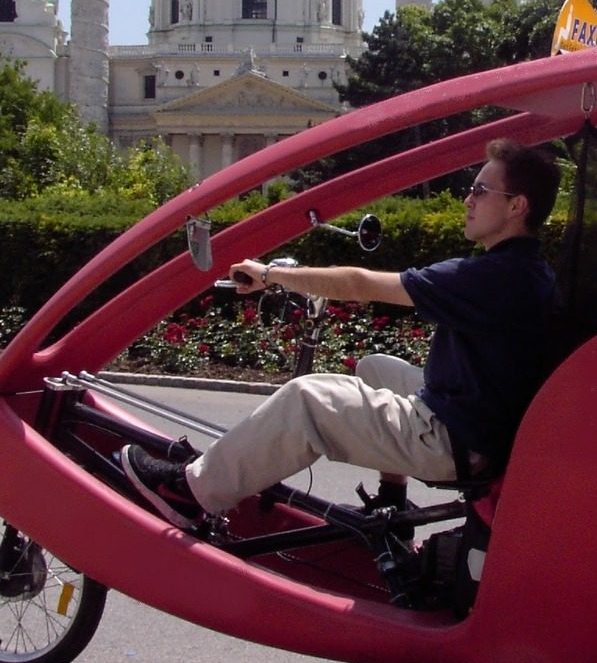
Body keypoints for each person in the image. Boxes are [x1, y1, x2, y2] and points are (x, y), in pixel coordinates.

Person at [121, 139, 561, 531]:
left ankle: (191, 494)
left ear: (516, 206)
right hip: (483, 424)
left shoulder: (491, 276)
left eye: (480, 190)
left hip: (456, 440)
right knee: (376, 369)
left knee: (309, 399)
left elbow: (359, 284)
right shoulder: (525, 269)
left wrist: (271, 274)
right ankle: (392, 503)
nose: (467, 199)